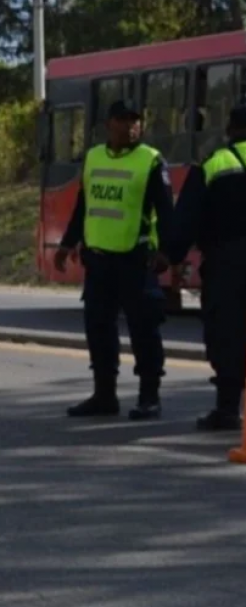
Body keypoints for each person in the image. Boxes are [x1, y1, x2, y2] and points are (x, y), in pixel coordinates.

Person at [54, 99, 174, 421]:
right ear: (109, 124)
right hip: (98, 261)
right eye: (124, 120)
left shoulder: (150, 161)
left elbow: (166, 212)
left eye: (136, 120)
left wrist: (167, 253)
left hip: (136, 261)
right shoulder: (93, 157)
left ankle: (149, 397)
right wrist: (66, 245)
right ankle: (104, 395)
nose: (131, 126)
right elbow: (84, 206)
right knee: (98, 329)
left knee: (144, 331)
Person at [167, 104, 246, 431]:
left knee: (226, 332)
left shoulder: (214, 163)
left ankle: (228, 410)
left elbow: (186, 219)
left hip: (229, 263)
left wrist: (171, 257)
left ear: (230, 129)